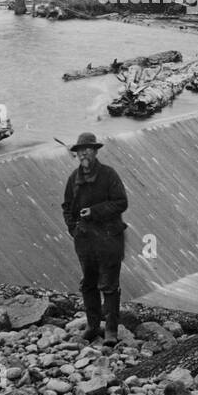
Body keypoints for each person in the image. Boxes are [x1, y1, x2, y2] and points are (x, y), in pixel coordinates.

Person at [62, 132, 129, 344]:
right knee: (88, 283)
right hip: (85, 241)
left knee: (109, 285)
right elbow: (67, 207)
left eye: (87, 150)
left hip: (109, 238)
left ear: (95, 151)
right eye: (80, 151)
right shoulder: (74, 178)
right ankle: (92, 325)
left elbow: (121, 203)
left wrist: (94, 212)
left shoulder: (109, 175)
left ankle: (111, 331)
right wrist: (74, 228)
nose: (83, 154)